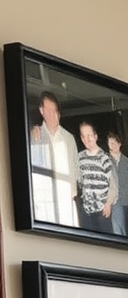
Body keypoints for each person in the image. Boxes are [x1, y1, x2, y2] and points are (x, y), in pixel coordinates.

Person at [29, 91, 79, 226]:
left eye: (54, 111)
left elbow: (75, 166)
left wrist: (72, 192)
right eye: (48, 111)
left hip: (65, 199)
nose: (52, 115)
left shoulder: (68, 138)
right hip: (44, 200)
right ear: (41, 111)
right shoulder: (35, 136)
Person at [76, 122, 117, 234]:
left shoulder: (105, 158)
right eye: (83, 136)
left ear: (95, 136)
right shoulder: (79, 158)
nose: (87, 139)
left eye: (89, 135)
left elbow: (113, 186)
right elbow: (79, 181)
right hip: (86, 213)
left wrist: (108, 203)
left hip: (102, 211)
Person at [106, 131, 128, 239]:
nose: (112, 146)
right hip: (115, 203)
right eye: (110, 143)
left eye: (114, 143)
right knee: (118, 234)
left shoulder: (126, 161)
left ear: (120, 144)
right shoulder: (106, 161)